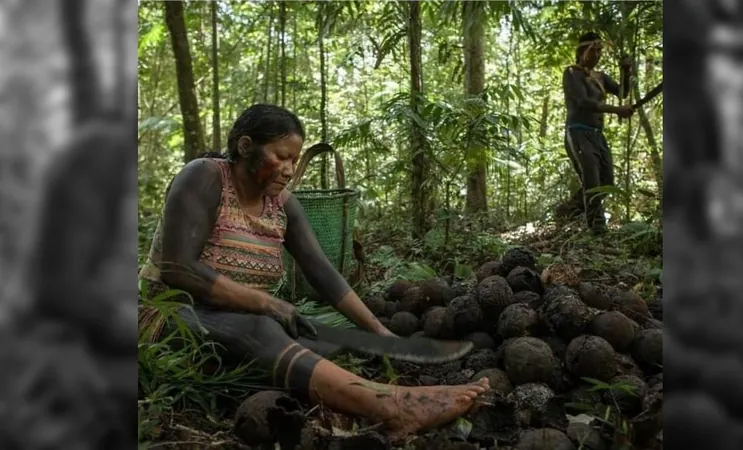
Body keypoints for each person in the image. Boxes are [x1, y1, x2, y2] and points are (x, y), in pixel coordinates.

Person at [137, 103, 489, 440]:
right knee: (263, 327)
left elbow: (323, 274)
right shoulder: (204, 176)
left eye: (293, 159)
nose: (290, 169)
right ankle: (392, 407)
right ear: (246, 147)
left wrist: (379, 333)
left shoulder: (282, 203)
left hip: (233, 320)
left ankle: (251, 369)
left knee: (323, 339)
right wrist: (267, 304)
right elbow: (177, 268)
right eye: (282, 156)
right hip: (169, 316)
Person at [561, 31, 633, 234]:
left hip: (597, 134)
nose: (598, 55)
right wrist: (617, 110)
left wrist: (626, 72)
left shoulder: (601, 77)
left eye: (601, 51)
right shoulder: (571, 73)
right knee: (591, 179)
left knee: (607, 180)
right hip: (578, 132)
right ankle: (597, 228)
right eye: (595, 50)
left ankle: (571, 208)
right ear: (583, 51)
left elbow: (622, 92)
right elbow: (583, 102)